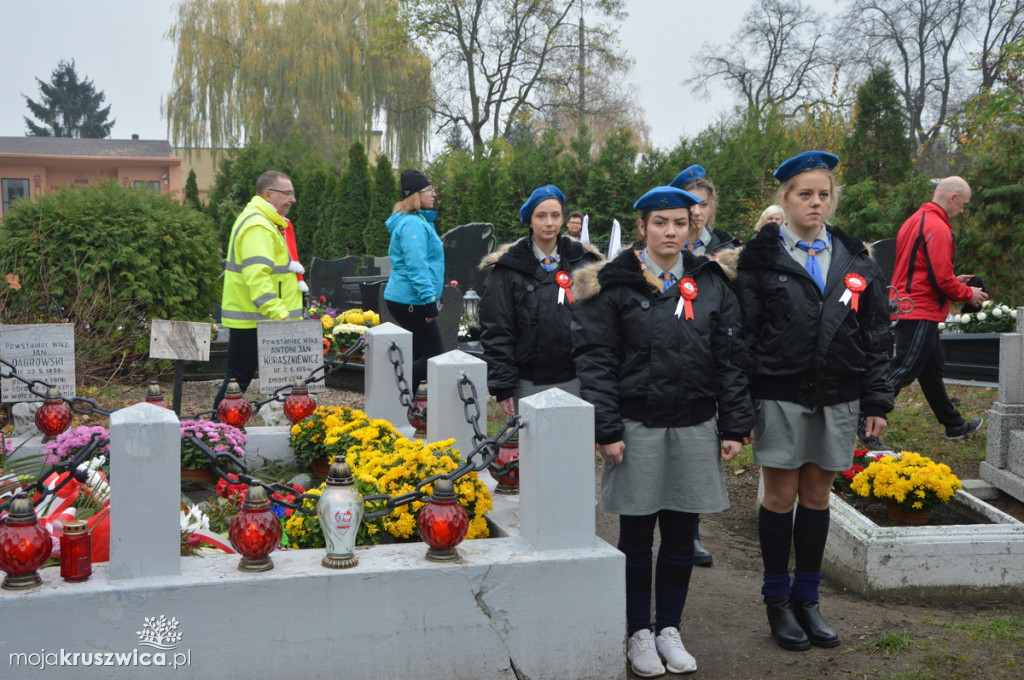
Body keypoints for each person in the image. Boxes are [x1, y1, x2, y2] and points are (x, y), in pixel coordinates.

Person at [572, 186, 754, 677]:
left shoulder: (711, 280)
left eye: (680, 223)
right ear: (643, 228)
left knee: (680, 534)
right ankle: (637, 632)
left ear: (692, 227)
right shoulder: (613, 284)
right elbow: (597, 360)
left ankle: (668, 628)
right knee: (636, 535)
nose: (671, 232)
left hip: (695, 422)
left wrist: (735, 422)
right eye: (660, 223)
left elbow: (730, 357)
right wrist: (606, 427)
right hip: (637, 425)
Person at [735, 151, 893, 652]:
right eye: (805, 194)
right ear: (784, 199)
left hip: (838, 396)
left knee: (818, 497)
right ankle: (777, 601)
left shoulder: (855, 261)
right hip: (779, 395)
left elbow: (876, 333)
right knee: (781, 498)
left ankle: (808, 599)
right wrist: (742, 408)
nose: (816, 203)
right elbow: (741, 339)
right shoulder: (759, 261)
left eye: (823, 194)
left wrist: (877, 400)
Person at [478, 185, 602, 416]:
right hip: (527, 381)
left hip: (575, 379)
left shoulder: (583, 262)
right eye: (541, 216)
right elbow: (497, 329)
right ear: (530, 221)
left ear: (563, 219)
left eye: (555, 215)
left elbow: (599, 323)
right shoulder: (508, 268)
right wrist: (503, 384)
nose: (549, 223)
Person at [887, 177, 987, 440]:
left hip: (909, 304)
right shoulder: (939, 228)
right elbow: (939, 279)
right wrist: (969, 294)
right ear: (952, 198)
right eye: (963, 205)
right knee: (902, 370)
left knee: (931, 372)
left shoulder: (914, 220)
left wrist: (955, 281)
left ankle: (954, 424)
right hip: (920, 309)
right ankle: (864, 418)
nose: (962, 211)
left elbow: (921, 270)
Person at [214, 170, 304, 409]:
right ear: (268, 194)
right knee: (237, 383)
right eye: (288, 193)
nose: (293, 199)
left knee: (237, 381)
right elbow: (258, 278)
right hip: (257, 320)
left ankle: (217, 431)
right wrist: (281, 315)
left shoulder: (262, 221)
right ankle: (216, 432)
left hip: (257, 319)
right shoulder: (258, 226)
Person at [383, 169, 445, 390]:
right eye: (430, 190)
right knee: (434, 356)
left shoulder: (419, 220)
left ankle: (408, 405)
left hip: (412, 298)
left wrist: (437, 295)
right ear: (416, 195)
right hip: (411, 300)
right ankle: (390, 391)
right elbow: (416, 266)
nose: (434, 194)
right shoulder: (413, 225)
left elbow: (430, 265)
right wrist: (429, 300)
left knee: (420, 352)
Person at [669, 164, 742, 257]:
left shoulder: (727, 248)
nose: (697, 212)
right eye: (690, 205)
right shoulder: (659, 247)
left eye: (703, 205)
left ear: (711, 207)